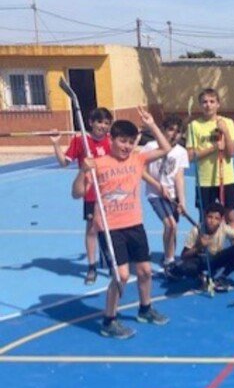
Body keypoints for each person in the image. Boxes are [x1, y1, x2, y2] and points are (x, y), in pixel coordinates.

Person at [71, 108, 171, 340]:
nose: (126, 146)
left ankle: (145, 309)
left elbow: (166, 148)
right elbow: (77, 193)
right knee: (122, 275)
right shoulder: (98, 164)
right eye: (121, 141)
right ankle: (109, 320)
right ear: (112, 140)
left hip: (135, 224)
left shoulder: (138, 159)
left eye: (129, 142)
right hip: (110, 227)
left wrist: (152, 124)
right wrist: (83, 172)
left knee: (145, 271)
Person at [51, 107, 113, 285]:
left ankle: (112, 261)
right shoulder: (80, 140)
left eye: (107, 123)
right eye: (99, 122)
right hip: (90, 192)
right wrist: (56, 143)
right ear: (91, 123)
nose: (103, 126)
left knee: (112, 228)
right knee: (92, 229)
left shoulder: (112, 141)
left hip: (110, 192)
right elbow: (64, 163)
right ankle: (92, 266)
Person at [173, 202, 234, 291]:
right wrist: (199, 247)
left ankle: (222, 276)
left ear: (221, 220)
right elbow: (184, 255)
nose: (212, 221)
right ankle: (199, 276)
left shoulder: (223, 228)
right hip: (200, 261)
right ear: (205, 217)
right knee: (185, 267)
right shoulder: (196, 231)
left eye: (216, 218)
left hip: (216, 259)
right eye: (210, 217)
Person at [140, 115, 189, 275]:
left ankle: (170, 255)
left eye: (178, 131)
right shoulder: (150, 146)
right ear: (163, 130)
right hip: (156, 194)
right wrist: (158, 186)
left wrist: (182, 201)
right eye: (170, 129)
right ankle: (169, 261)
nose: (174, 134)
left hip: (172, 196)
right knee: (170, 225)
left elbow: (179, 177)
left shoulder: (181, 152)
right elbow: (140, 170)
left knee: (172, 227)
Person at [185, 88, 234, 228]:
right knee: (205, 218)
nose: (208, 105)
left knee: (230, 216)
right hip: (204, 180)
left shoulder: (228, 122)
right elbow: (191, 156)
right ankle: (204, 247)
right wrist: (213, 148)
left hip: (226, 178)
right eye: (204, 102)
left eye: (211, 101)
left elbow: (231, 152)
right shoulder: (194, 126)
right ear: (200, 105)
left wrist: (225, 131)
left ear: (218, 104)